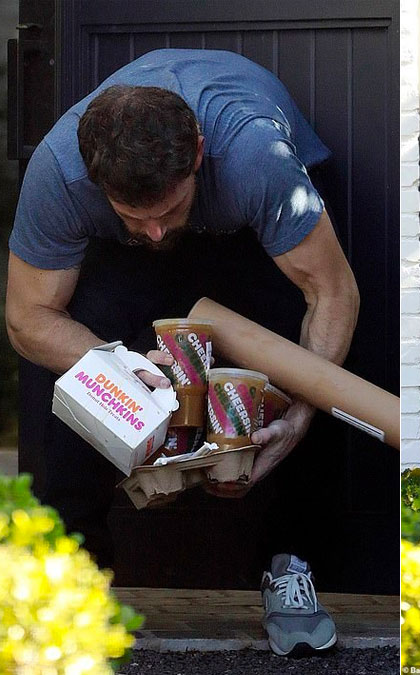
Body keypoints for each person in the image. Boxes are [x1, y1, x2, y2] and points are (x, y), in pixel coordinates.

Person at [7, 49, 359, 655]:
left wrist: (300, 414)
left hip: (246, 228)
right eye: (135, 216)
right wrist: (119, 373)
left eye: (166, 212)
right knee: (65, 383)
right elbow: (27, 317)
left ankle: (290, 564)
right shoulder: (59, 172)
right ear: (96, 184)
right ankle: (72, 584)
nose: (156, 233)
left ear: (196, 154)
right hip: (115, 252)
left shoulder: (255, 161)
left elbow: (331, 293)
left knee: (303, 375)